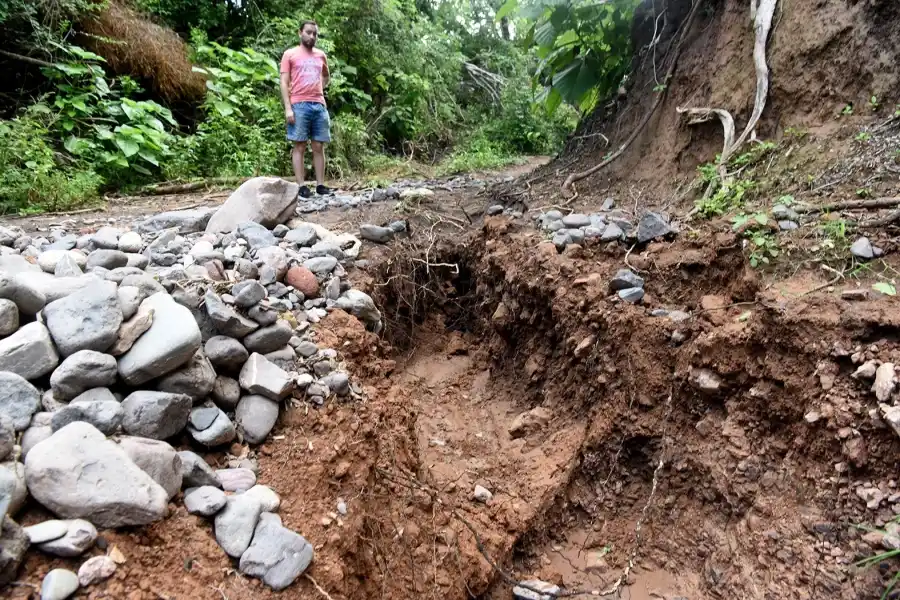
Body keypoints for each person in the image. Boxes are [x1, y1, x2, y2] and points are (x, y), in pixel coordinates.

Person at [280, 20, 332, 198]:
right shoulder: (290, 54)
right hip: (298, 104)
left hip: (318, 104)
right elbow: (284, 82)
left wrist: (319, 88)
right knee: (299, 145)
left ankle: (320, 185)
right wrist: (288, 108)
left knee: (318, 145)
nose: (312, 36)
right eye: (309, 32)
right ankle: (301, 186)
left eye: (315, 34)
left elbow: (326, 76)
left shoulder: (320, 55)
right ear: (300, 32)